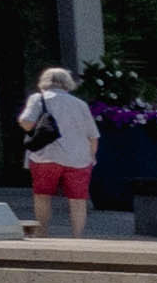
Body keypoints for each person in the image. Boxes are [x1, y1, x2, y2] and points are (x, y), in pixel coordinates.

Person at [15, 65, 97, 235]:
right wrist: (91, 157)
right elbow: (93, 135)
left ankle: (43, 233)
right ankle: (77, 237)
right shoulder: (80, 104)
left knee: (42, 196)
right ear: (68, 83)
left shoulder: (38, 98)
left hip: (45, 156)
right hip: (78, 158)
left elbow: (25, 121)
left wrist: (37, 129)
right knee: (78, 200)